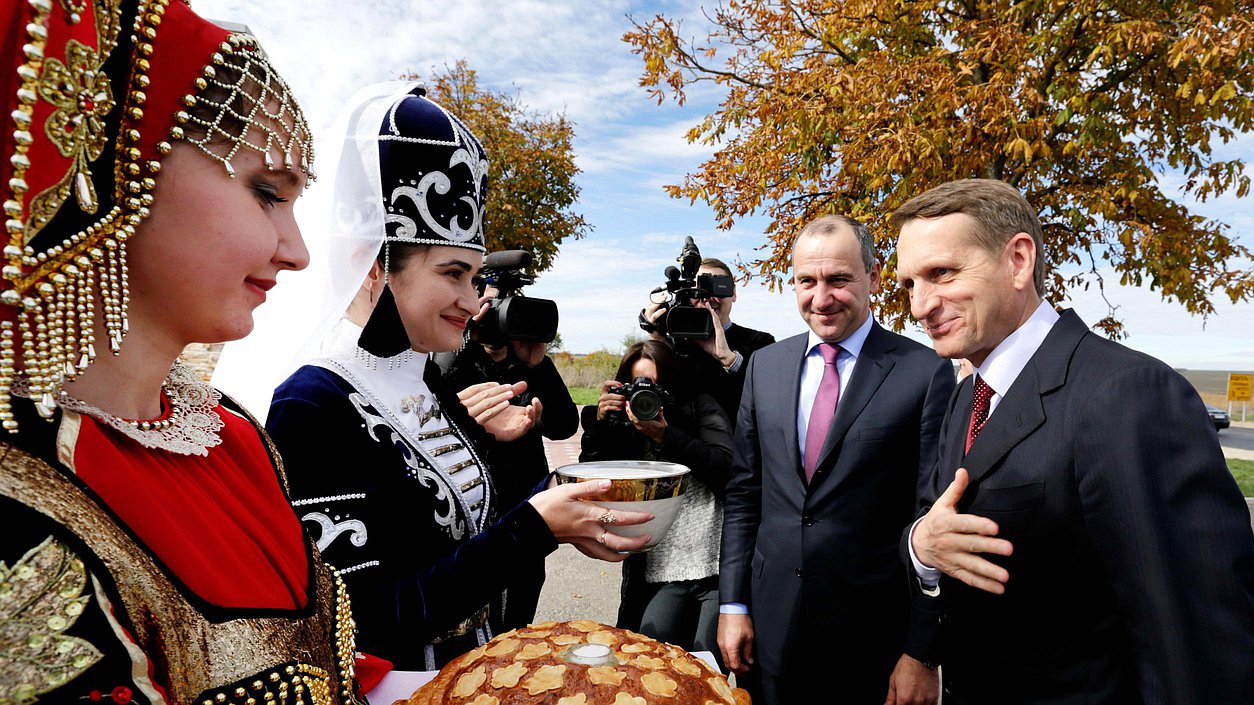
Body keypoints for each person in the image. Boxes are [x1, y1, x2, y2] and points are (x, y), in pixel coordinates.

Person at [0, 1, 368, 702]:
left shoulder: (232, 435)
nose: (297, 252)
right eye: (265, 193)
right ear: (119, 169)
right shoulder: (19, 492)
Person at [264, 85, 651, 671]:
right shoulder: (312, 403)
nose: (473, 301)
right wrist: (536, 525)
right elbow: (363, 619)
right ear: (375, 267)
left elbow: (462, 540)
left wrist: (553, 505)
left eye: (475, 277)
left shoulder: (424, 379)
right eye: (453, 273)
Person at [893, 178, 1254, 704]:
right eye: (908, 284)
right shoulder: (968, 393)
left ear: (1018, 261)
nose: (920, 305)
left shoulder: (1125, 394)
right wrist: (920, 546)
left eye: (942, 273)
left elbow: (1196, 640)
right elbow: (939, 524)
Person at [718, 215, 954, 705]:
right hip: (770, 628)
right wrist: (733, 604)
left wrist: (921, 651)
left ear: (873, 277)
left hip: (873, 642)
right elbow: (744, 496)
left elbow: (932, 519)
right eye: (807, 281)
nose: (820, 298)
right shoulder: (765, 366)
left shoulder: (925, 372)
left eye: (838, 279)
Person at [578, 340, 733, 663]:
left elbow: (726, 469)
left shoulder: (698, 406)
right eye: (638, 385)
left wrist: (666, 436)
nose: (647, 395)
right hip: (658, 570)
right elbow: (594, 485)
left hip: (715, 568)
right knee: (651, 665)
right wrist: (602, 428)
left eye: (657, 385)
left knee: (707, 672)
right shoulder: (623, 421)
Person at [435, 312, 580, 629]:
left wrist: (538, 364)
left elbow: (564, 425)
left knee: (517, 621)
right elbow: (431, 406)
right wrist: (464, 338)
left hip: (523, 508)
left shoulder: (526, 361)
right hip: (466, 516)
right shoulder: (452, 358)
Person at [644, 257, 775, 425]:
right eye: (698, 290)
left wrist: (730, 360)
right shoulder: (672, 346)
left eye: (717, 287)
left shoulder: (760, 343)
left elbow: (770, 400)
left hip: (738, 445)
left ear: (733, 293)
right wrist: (657, 343)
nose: (708, 298)